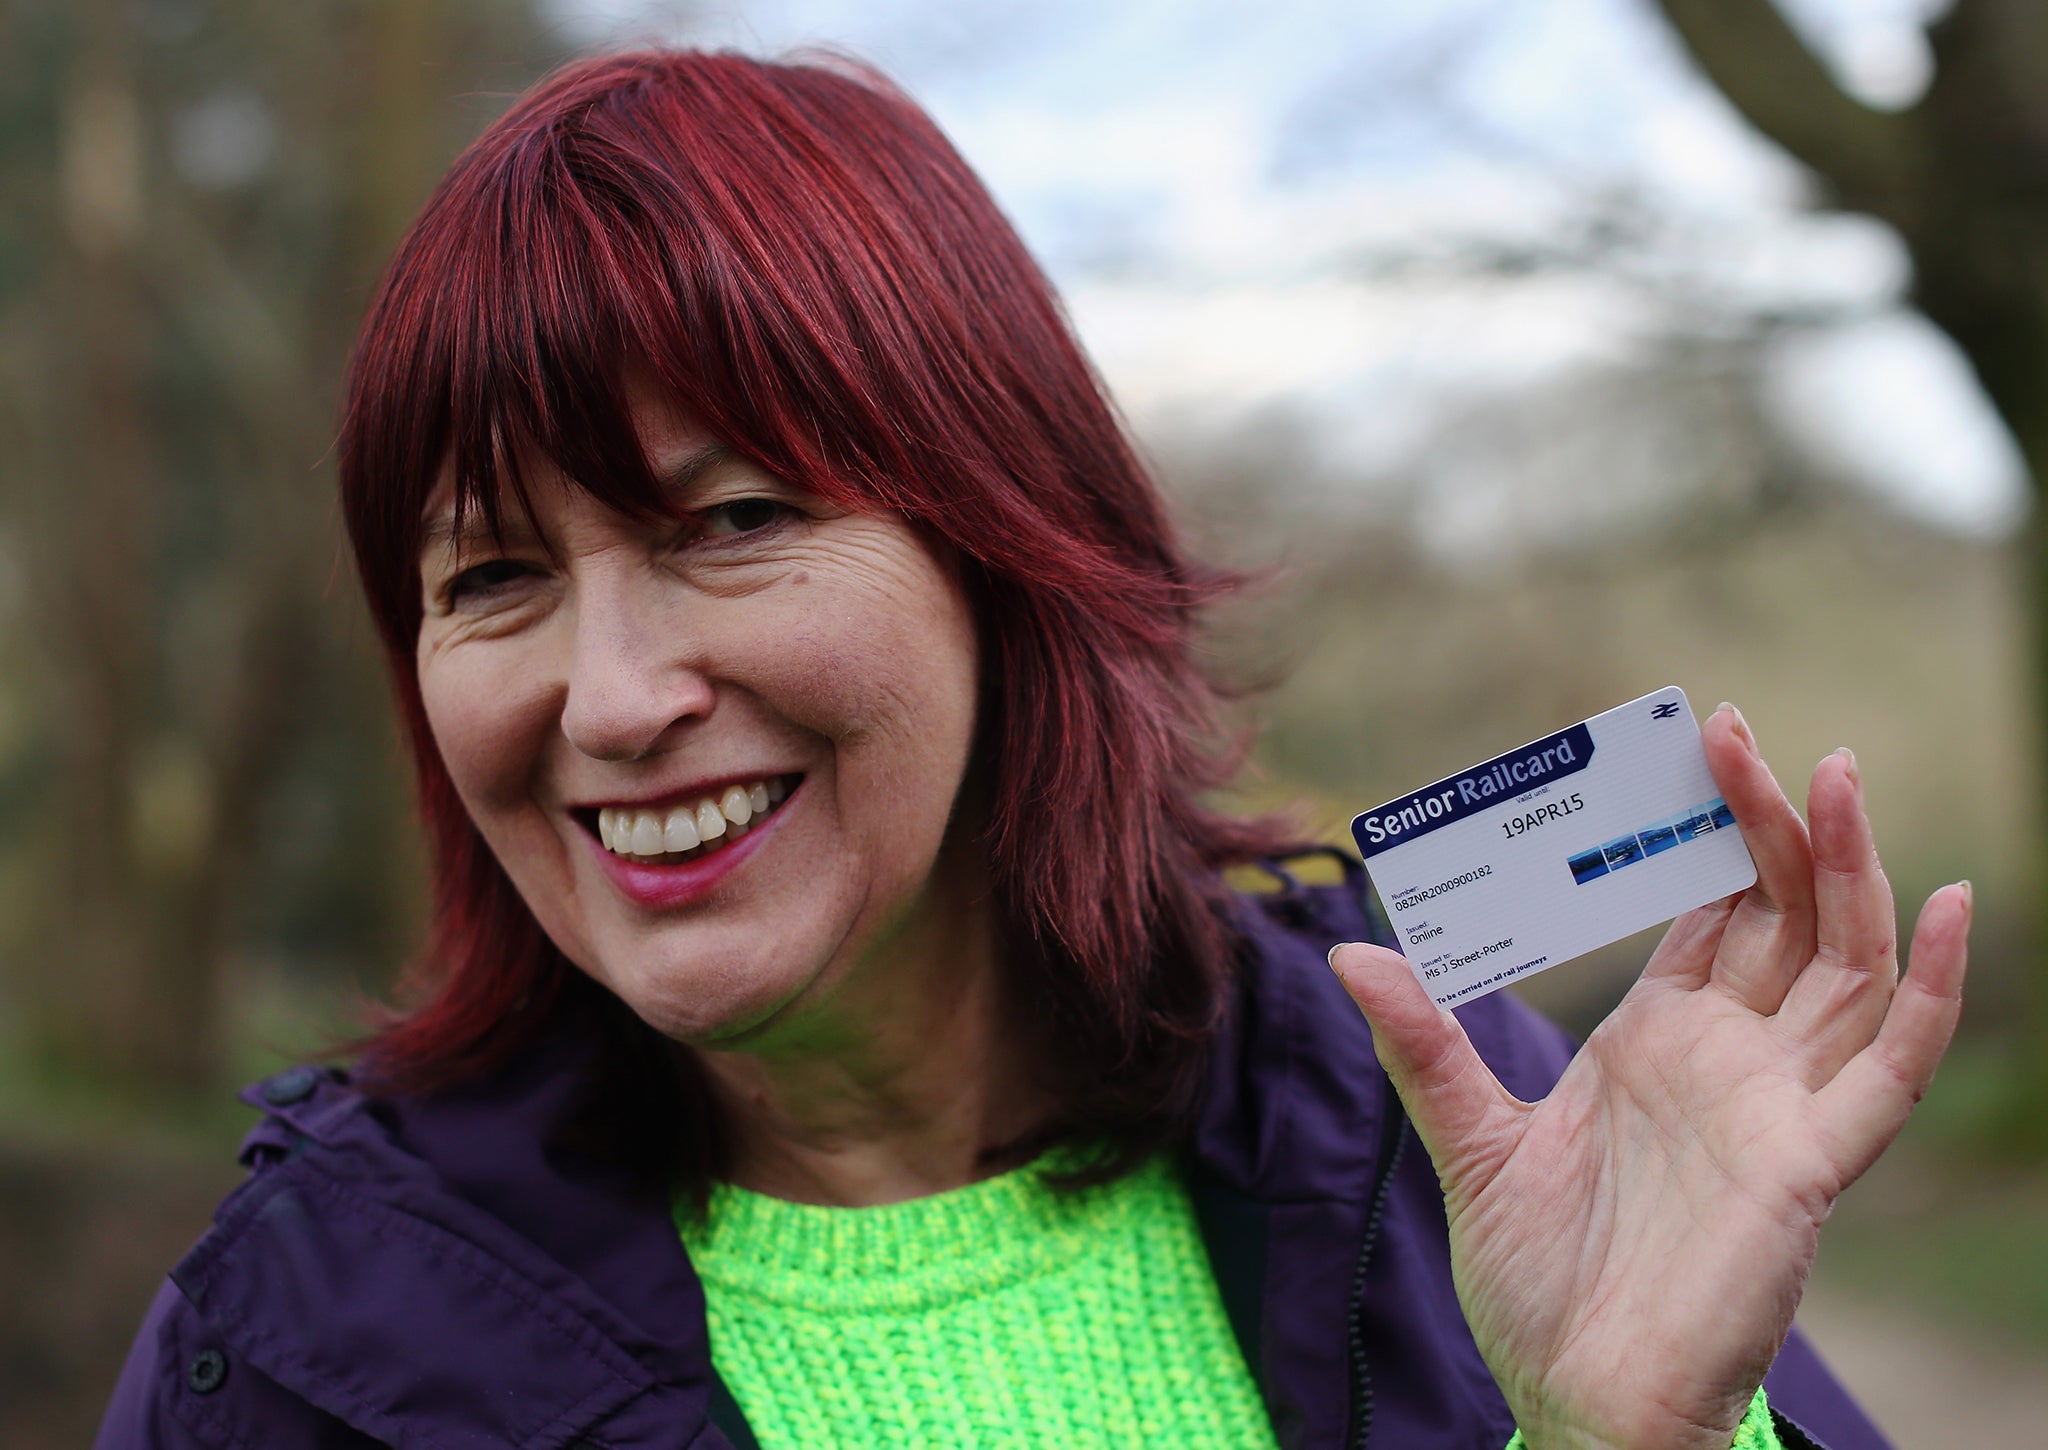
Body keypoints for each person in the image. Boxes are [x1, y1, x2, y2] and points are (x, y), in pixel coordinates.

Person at [97, 48, 1968, 1450]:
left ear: (1008, 548)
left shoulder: (1433, 1113)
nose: (607, 695)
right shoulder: (293, 1342)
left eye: (731, 520)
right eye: (493, 574)